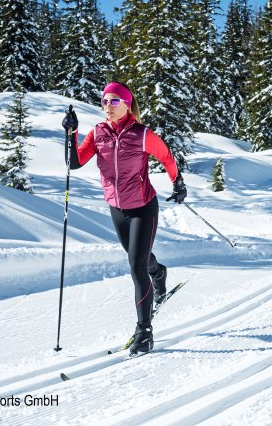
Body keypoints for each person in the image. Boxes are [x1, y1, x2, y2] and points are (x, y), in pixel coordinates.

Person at [61, 81, 187, 356]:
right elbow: (73, 163)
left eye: (114, 101)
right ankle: (159, 272)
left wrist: (178, 184)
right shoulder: (97, 133)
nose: (108, 106)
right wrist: (71, 133)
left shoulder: (142, 134)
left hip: (143, 207)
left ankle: (145, 331)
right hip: (117, 208)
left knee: (135, 266)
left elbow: (166, 156)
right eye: (105, 101)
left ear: (127, 104)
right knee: (139, 258)